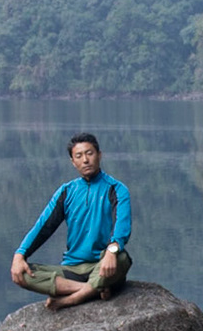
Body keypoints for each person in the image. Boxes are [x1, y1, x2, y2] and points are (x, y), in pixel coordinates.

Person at [10, 132, 133, 309]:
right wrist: (20, 254)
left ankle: (72, 299)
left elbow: (122, 225)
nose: (85, 160)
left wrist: (111, 251)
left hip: (103, 264)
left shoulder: (116, 189)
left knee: (122, 258)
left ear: (99, 155)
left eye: (89, 153)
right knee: (22, 273)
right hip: (72, 268)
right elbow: (43, 226)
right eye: (79, 156)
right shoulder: (67, 191)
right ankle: (90, 290)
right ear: (73, 162)